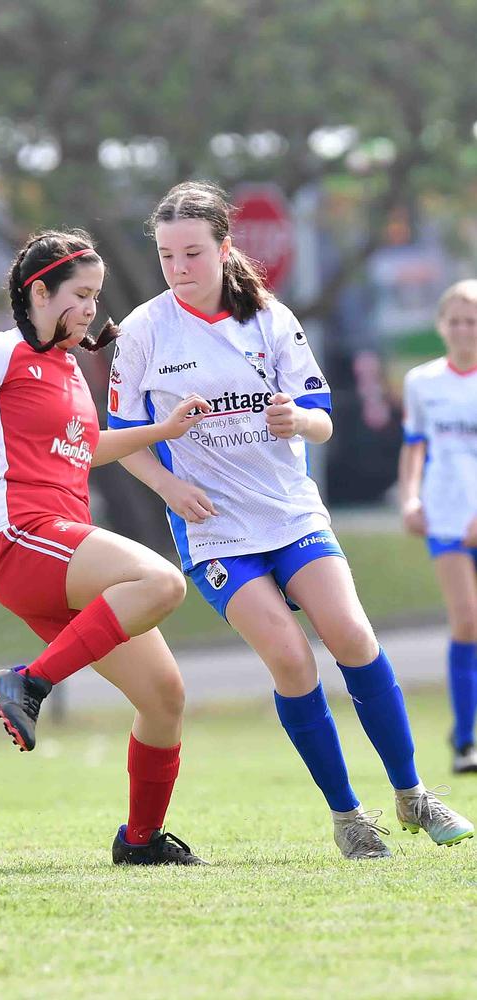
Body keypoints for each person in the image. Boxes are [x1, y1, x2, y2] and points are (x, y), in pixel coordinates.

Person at [107, 181, 474, 859]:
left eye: (192, 252)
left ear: (223, 249)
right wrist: (168, 486)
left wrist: (295, 419)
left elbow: (322, 421)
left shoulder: (271, 319)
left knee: (352, 635)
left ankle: (413, 795)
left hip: (290, 512)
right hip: (216, 529)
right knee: (289, 657)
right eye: (166, 255)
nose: (178, 267)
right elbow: (123, 436)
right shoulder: (142, 332)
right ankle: (348, 817)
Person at [0, 228, 213, 866]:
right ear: (38, 292)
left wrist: (164, 430)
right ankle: (28, 685)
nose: (93, 308)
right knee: (163, 583)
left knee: (164, 698)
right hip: (20, 536)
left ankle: (141, 841)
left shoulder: (67, 369)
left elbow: (85, 450)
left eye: (97, 296)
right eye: (81, 294)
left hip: (62, 553)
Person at [399, 279, 477, 775]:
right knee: (467, 620)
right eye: (456, 321)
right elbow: (414, 444)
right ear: (441, 326)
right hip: (447, 516)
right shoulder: (422, 381)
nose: (464, 330)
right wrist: (410, 497)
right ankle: (465, 740)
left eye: (472, 321)